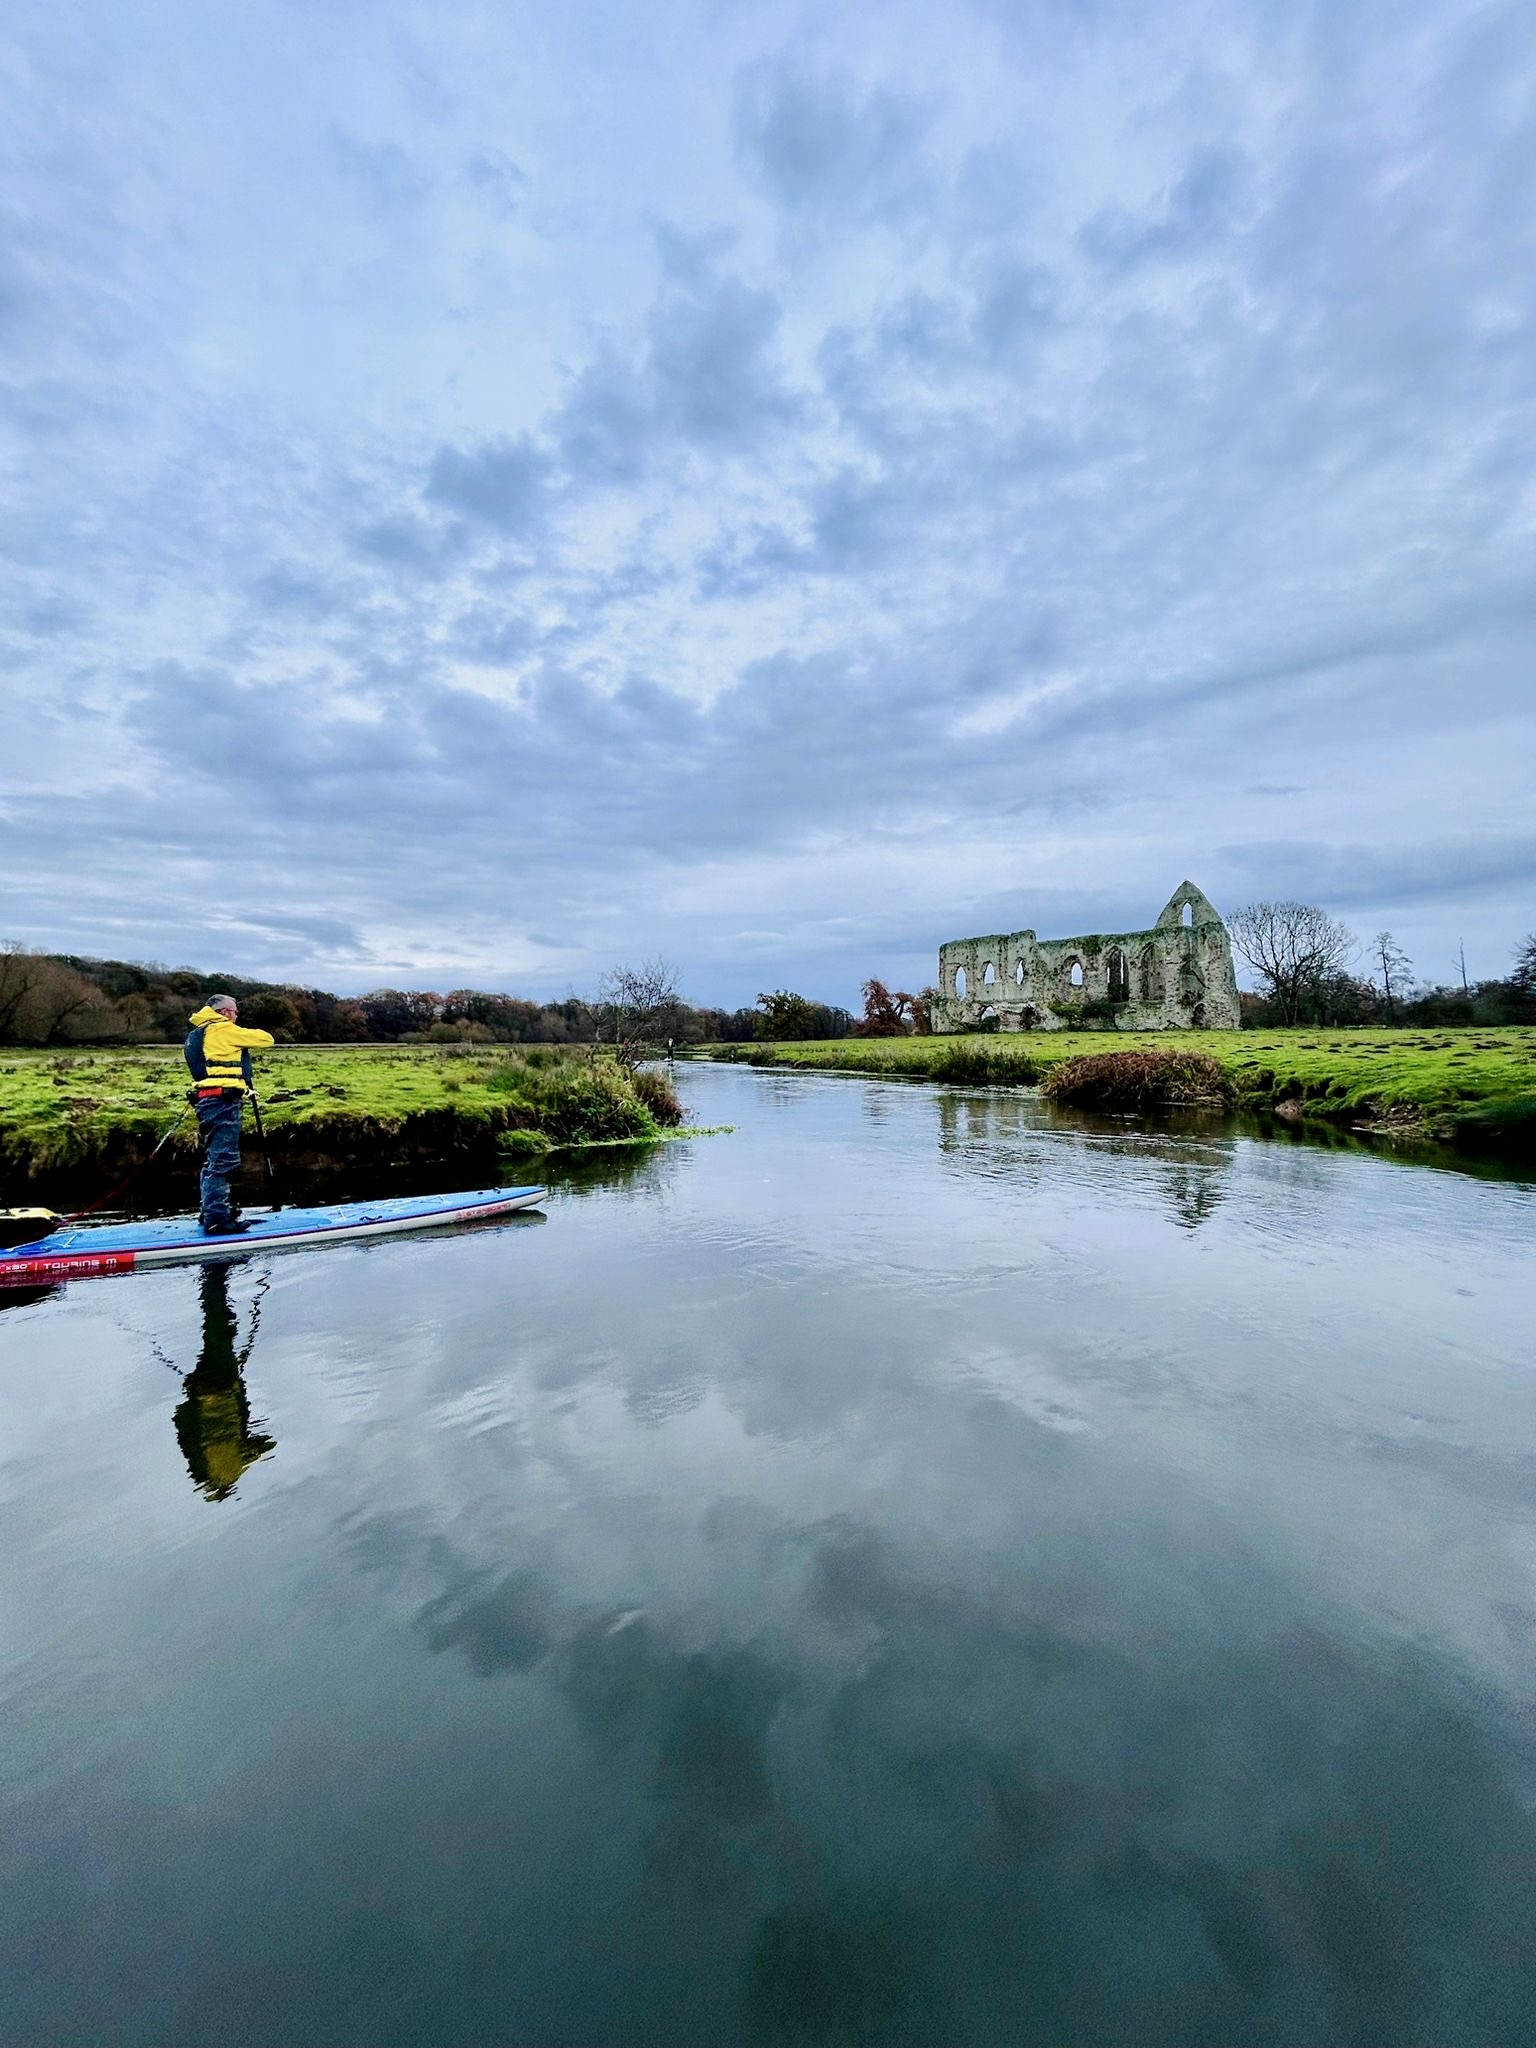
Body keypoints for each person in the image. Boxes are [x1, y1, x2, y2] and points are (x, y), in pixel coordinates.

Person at [184, 994, 275, 1234]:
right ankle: (218, 1219)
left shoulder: (196, 1035)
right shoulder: (223, 1030)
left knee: (212, 1159)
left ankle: (211, 1211)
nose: (236, 1016)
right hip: (222, 1101)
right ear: (224, 1012)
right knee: (223, 1159)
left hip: (207, 1099)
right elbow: (266, 1039)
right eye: (234, 1012)